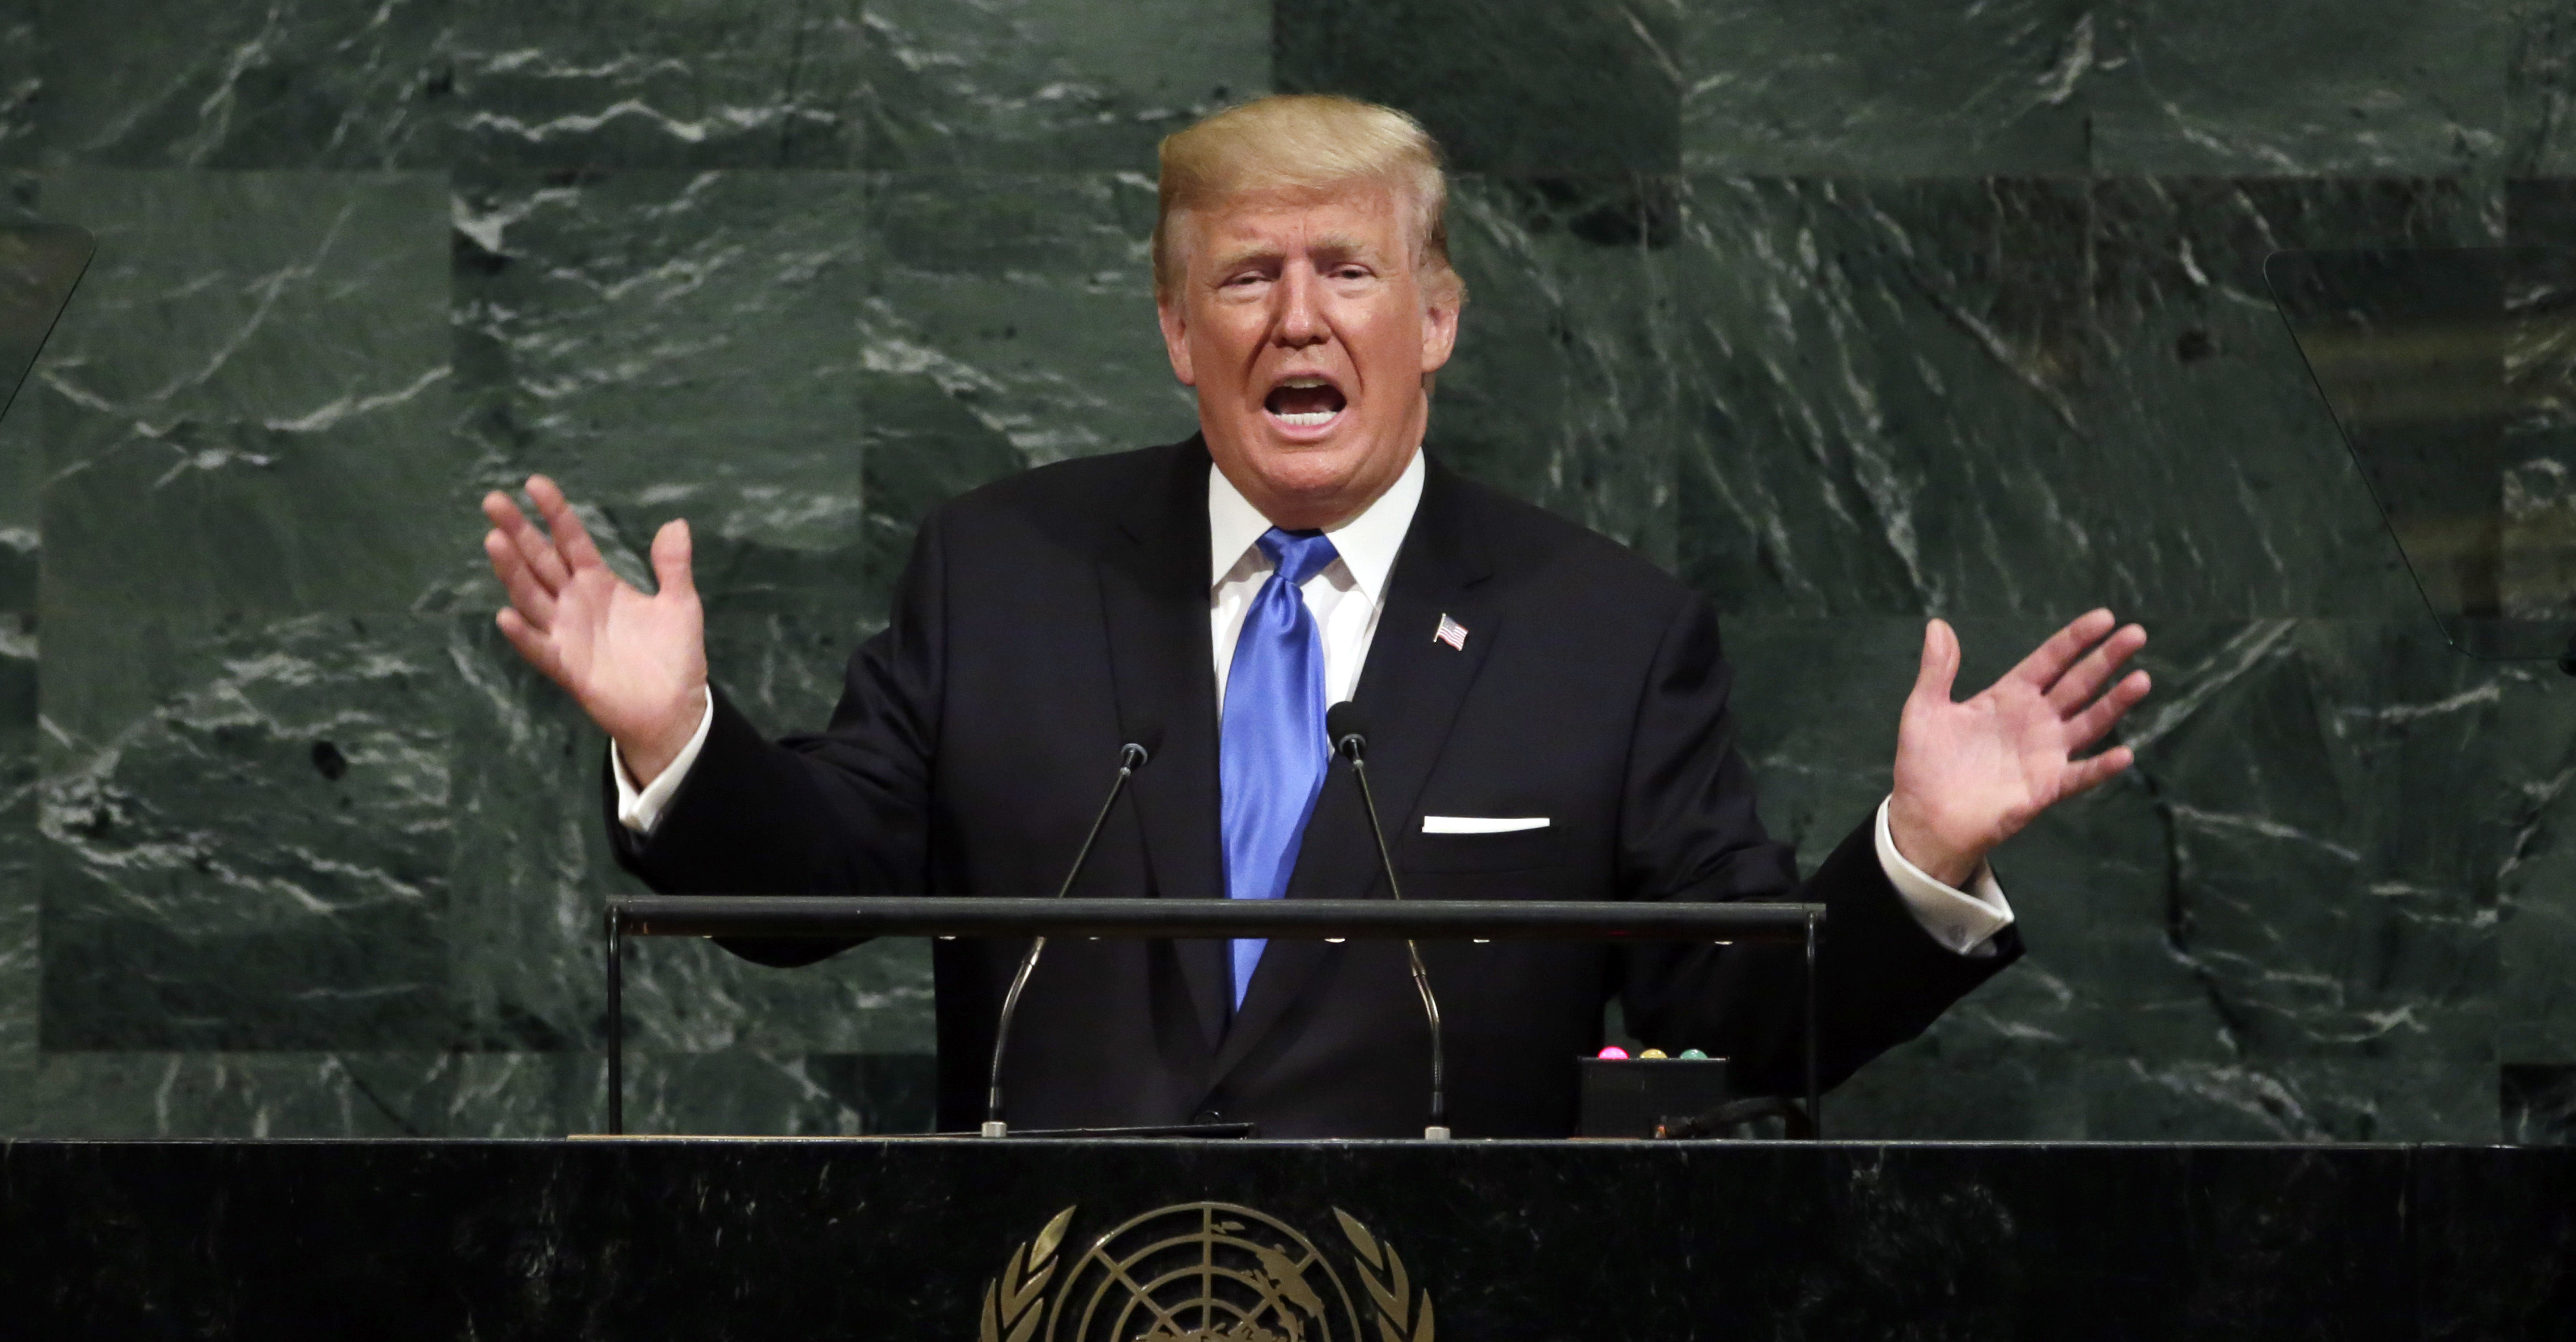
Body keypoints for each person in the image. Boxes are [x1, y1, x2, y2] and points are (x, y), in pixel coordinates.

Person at [478, 94, 2149, 1138]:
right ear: (1175, 331)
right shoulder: (1004, 574)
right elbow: (812, 890)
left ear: (1436, 319)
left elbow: (1736, 1013)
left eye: (1347, 271)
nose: (1298, 319)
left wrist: (1917, 857)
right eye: (1245, 276)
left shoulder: (1604, 632)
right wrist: (677, 741)